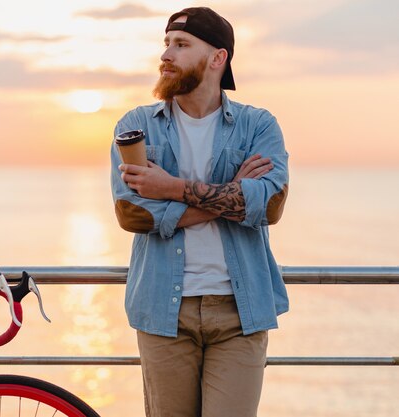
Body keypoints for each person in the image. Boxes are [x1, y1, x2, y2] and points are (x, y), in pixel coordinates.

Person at [110, 6, 289, 417]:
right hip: (163, 310)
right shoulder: (137, 126)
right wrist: (233, 197)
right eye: (166, 43)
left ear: (217, 57)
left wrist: (169, 189)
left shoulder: (258, 126)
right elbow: (132, 214)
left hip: (240, 311)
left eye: (182, 44)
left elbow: (271, 206)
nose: (166, 55)